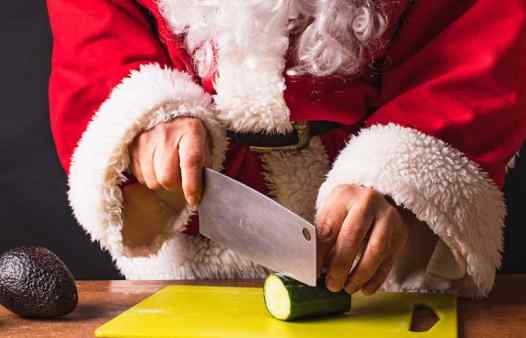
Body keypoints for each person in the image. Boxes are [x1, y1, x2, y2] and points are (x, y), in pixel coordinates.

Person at [46, 0, 526, 297]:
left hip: (390, 250)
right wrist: (150, 119)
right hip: (189, 235)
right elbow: (93, 32)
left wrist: (397, 173)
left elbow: (483, 31)